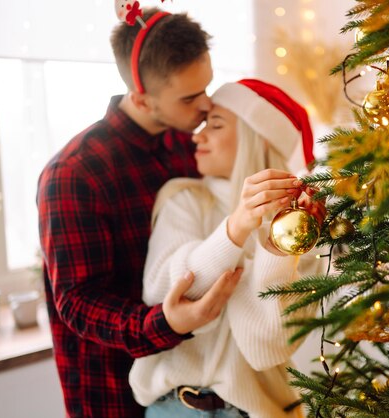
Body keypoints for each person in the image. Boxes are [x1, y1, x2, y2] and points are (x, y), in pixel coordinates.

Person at [37, 9, 243, 417]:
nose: (206, 106)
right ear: (141, 98)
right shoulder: (75, 172)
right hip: (113, 393)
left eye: (206, 87)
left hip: (204, 391)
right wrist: (166, 322)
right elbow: (78, 302)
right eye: (189, 97)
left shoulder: (190, 148)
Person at [129, 79, 327, 418]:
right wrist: (235, 230)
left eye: (215, 125)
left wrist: (276, 249)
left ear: (256, 137)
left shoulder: (296, 224)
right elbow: (163, 293)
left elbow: (268, 346)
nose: (197, 135)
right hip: (176, 410)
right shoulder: (183, 198)